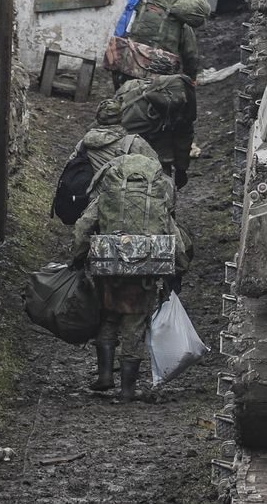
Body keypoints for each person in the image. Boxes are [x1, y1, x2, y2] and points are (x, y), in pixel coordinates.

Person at [72, 154, 185, 400]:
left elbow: (82, 228)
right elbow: (177, 242)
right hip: (143, 276)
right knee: (134, 326)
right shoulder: (158, 203)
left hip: (109, 272)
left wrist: (78, 257)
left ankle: (104, 376)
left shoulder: (105, 198)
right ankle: (127, 389)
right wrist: (178, 269)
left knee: (108, 319)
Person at [72, 99, 160, 175]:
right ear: (121, 118)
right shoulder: (134, 143)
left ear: (97, 118)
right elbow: (157, 169)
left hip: (88, 189)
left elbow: (70, 166)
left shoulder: (83, 143)